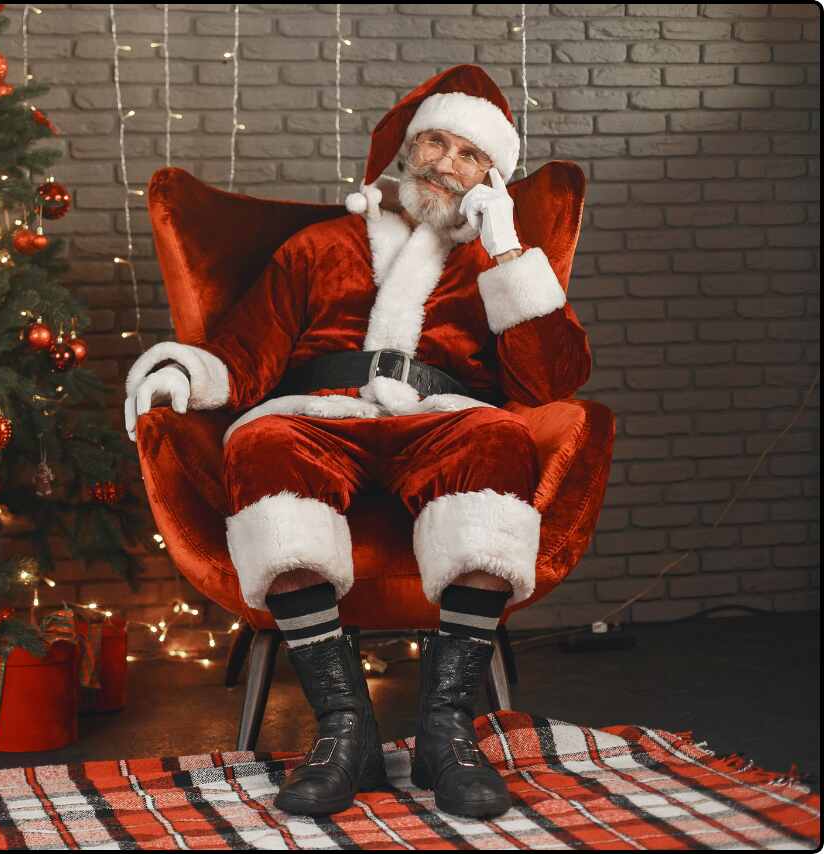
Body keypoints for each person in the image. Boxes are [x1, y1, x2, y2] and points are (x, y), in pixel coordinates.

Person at [124, 65, 591, 819]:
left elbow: (551, 379)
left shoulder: (493, 264)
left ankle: (447, 733)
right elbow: (247, 356)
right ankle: (345, 729)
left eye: (468, 155)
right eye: (433, 142)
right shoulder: (321, 245)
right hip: (320, 410)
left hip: (444, 418)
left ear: (490, 179)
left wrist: (507, 247)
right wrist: (184, 372)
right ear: (404, 153)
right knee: (262, 447)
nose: (444, 163)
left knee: (499, 438)